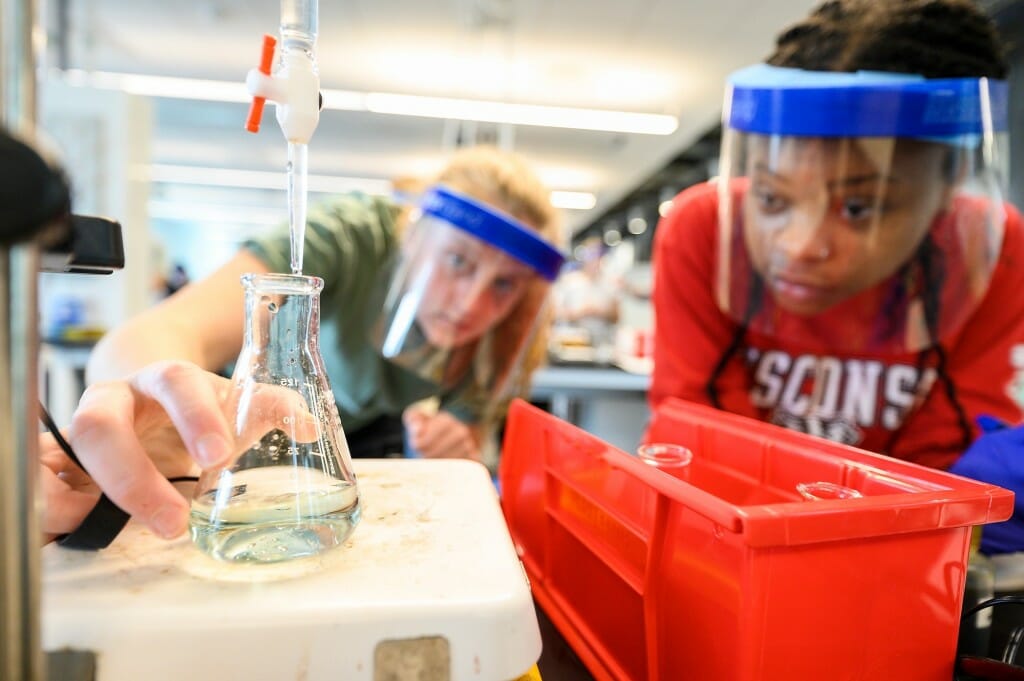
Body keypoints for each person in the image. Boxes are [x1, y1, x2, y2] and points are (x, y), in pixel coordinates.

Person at [649, 0, 1024, 553]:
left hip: (898, 556)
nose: (800, 247)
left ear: (951, 182)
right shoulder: (702, 228)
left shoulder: (996, 253)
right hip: (729, 540)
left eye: (858, 208)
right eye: (772, 197)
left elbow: (948, 456)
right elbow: (696, 427)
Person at [41, 144, 563, 541]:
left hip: (355, 450)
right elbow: (155, 333)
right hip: (247, 431)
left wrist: (454, 445)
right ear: (414, 235)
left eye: (504, 284)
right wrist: (161, 395)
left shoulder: (510, 330)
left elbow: (465, 435)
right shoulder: (349, 235)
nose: (473, 303)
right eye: (458, 261)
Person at [552, 236, 621, 352]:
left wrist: (600, 312)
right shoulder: (570, 281)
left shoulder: (610, 283)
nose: (594, 260)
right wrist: (579, 313)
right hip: (573, 343)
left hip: (602, 345)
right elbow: (555, 314)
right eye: (591, 255)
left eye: (598, 255)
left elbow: (617, 316)